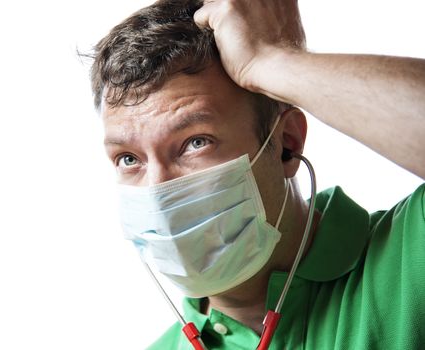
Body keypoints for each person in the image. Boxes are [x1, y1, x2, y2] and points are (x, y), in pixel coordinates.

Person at [88, 0, 425, 348]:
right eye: (129, 159)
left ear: (286, 143)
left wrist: (271, 61)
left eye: (195, 142)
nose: (158, 189)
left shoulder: (409, 254)